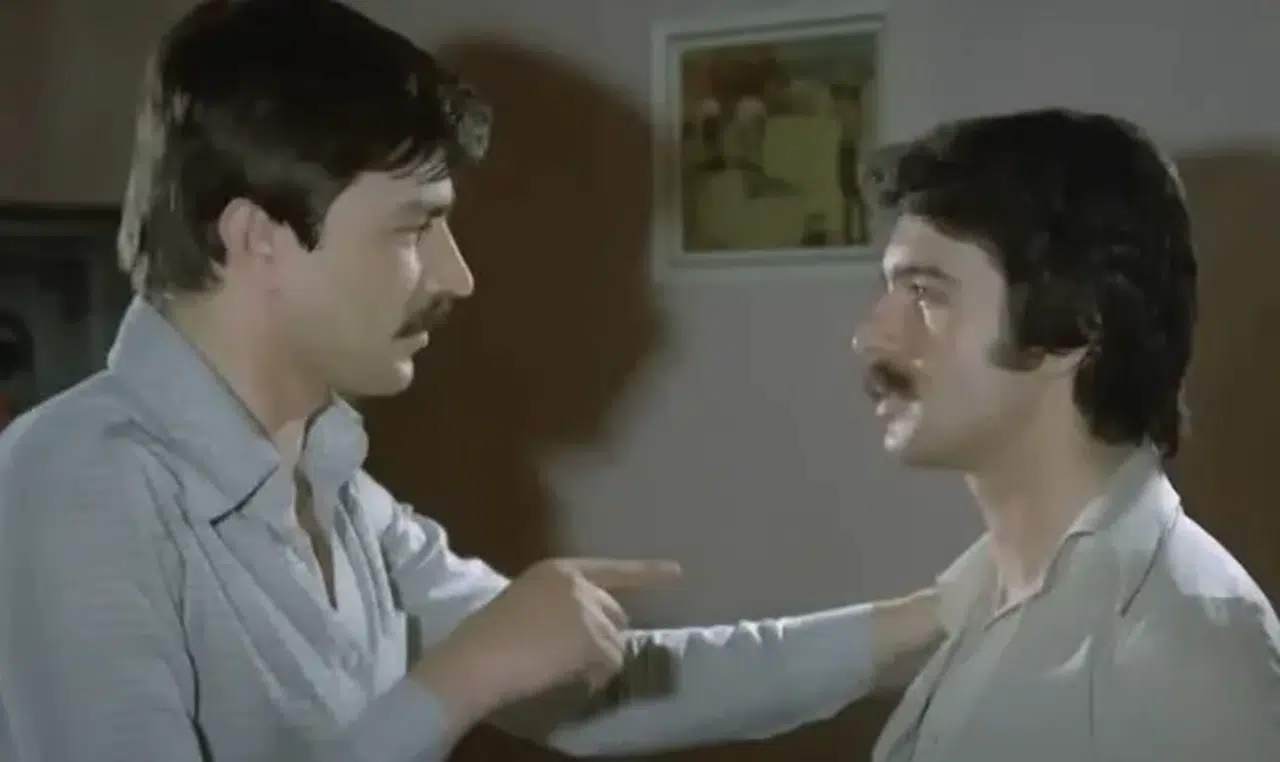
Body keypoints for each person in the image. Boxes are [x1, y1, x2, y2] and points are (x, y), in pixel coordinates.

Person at [0, 2, 944, 761]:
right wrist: (458, 682)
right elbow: (487, 671)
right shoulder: (73, 484)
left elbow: (604, 687)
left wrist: (935, 614)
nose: (457, 276)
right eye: (415, 227)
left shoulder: (336, 489)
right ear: (259, 240)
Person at [854, 108, 1280, 762]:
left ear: (1071, 330)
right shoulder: (987, 598)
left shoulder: (1190, 652)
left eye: (926, 294)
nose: (868, 338)